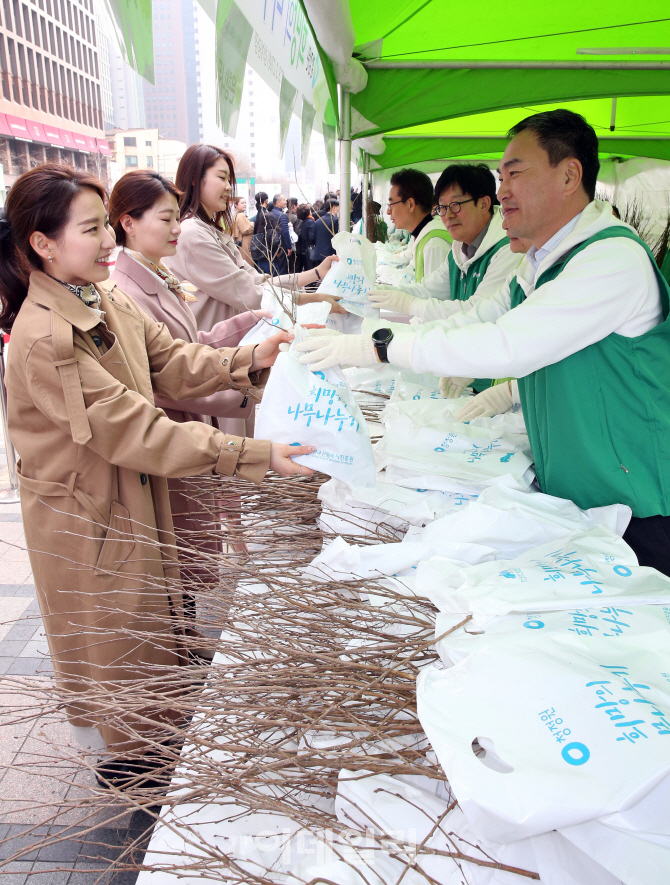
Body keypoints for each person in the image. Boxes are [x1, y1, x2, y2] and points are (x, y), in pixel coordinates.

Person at [0, 163, 317, 785]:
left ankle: (152, 745)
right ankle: (131, 766)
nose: (109, 242)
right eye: (91, 229)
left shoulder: (104, 295)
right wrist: (251, 456)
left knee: (150, 622)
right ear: (42, 243)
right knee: (116, 636)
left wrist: (249, 357)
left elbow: (170, 362)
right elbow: (134, 431)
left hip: (128, 496)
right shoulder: (43, 336)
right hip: (90, 513)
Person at [297, 108, 670, 576]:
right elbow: (473, 318)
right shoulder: (538, 265)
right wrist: (507, 389)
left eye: (515, 173)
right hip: (581, 491)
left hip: (638, 503)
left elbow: (508, 343)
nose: (503, 191)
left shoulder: (612, 260)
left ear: (570, 175)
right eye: (500, 176)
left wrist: (379, 346)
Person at [369, 163, 520, 394]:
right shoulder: (459, 247)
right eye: (441, 208)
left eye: (456, 205)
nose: (447, 215)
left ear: (485, 203)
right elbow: (428, 289)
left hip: (494, 380)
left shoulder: (507, 250)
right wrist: (379, 295)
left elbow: (479, 311)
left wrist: (409, 306)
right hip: (463, 368)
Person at [164, 145, 344, 337]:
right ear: (194, 178)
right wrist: (315, 299)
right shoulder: (193, 235)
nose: (228, 186)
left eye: (229, 180)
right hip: (213, 351)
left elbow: (258, 281)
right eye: (221, 177)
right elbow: (251, 294)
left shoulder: (209, 230)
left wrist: (315, 273)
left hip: (229, 346)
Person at [385, 168, 452, 282]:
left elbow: (435, 296)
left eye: (391, 204)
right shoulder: (423, 236)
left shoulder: (434, 244)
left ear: (410, 204)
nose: (388, 211)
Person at [269, 193, 292, 275]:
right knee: (282, 268)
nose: (286, 202)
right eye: (284, 200)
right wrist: (289, 247)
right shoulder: (282, 215)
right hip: (281, 245)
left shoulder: (270, 213)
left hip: (272, 245)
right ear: (278, 202)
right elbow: (285, 232)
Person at [313, 199, 339, 264]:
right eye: (338, 208)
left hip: (318, 254)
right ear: (333, 207)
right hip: (330, 255)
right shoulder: (335, 221)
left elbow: (314, 237)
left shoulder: (318, 220)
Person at [231, 195, 254, 264]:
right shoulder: (241, 215)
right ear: (236, 205)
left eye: (245, 203)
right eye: (242, 203)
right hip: (244, 244)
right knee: (248, 264)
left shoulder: (235, 214)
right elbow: (245, 230)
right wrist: (252, 224)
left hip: (238, 243)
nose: (244, 205)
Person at [296, 203, 316, 272]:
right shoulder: (310, 222)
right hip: (310, 249)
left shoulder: (303, 222)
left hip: (303, 249)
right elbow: (312, 237)